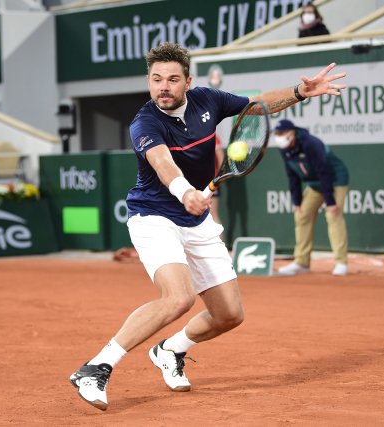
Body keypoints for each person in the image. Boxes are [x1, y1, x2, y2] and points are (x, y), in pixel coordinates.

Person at [69, 42, 346, 411]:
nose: (163, 87)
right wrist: (185, 192)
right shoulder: (145, 123)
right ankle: (96, 367)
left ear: (188, 82)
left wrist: (299, 93)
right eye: (155, 80)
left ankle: (170, 349)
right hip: (154, 216)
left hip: (196, 221)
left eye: (171, 80)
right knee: (178, 298)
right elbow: (162, 162)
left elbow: (256, 106)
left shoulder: (208, 100)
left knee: (229, 315)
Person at [273, 119, 349, 276]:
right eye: (277, 134)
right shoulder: (285, 149)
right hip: (314, 184)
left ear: (292, 132)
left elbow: (324, 171)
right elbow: (292, 176)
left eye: (282, 133)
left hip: (335, 180)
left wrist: (330, 201)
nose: (279, 137)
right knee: (301, 216)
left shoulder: (310, 143)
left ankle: (341, 263)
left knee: (333, 215)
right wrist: (297, 202)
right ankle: (302, 263)